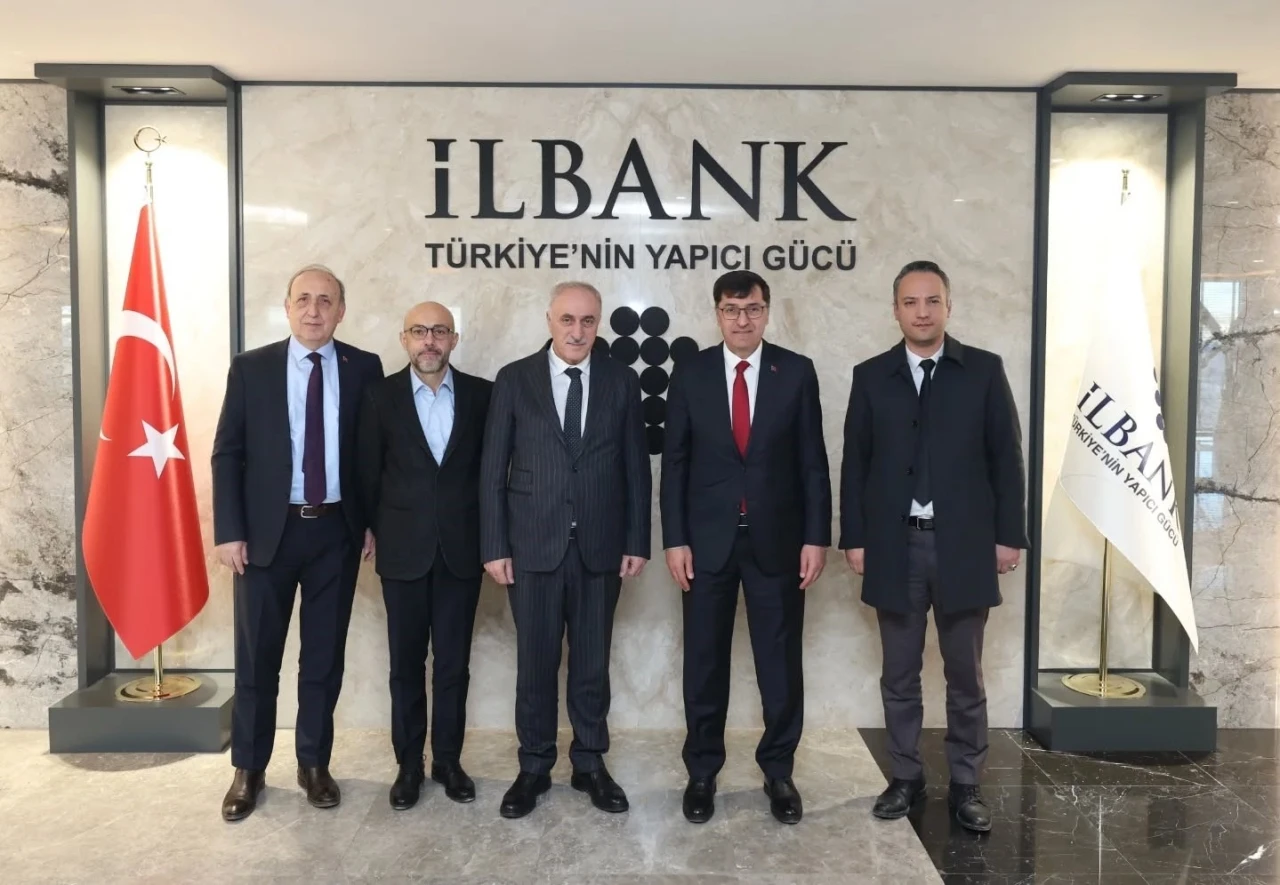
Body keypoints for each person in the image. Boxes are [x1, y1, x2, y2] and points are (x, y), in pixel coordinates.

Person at [839, 259, 1027, 833]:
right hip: (895, 548)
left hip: (964, 546)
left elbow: (1006, 458)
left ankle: (967, 783)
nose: (922, 312)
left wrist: (1009, 535)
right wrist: (855, 539)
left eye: (932, 301)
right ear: (895, 310)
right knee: (899, 673)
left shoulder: (984, 371)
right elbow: (855, 464)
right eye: (911, 302)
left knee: (965, 675)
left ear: (949, 306)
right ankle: (906, 777)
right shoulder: (871, 376)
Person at [212, 264, 384, 821]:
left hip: (336, 532)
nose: (314, 310)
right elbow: (227, 453)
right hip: (267, 535)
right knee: (257, 659)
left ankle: (313, 763)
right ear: (287, 307)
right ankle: (249, 768)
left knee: (323, 659)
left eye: (326, 300)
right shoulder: (252, 367)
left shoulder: (364, 367)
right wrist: (230, 530)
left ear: (341, 311)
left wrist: (371, 521)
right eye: (304, 299)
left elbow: (373, 454)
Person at [660, 269, 831, 826]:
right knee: (704, 663)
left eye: (752, 309)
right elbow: (675, 463)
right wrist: (675, 539)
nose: (742, 320)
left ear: (766, 312)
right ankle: (702, 771)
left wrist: (816, 537)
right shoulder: (690, 373)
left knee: (779, 664)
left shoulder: (796, 371)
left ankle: (778, 770)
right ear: (717, 314)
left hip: (778, 543)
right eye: (732, 310)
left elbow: (812, 462)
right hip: (705, 545)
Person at [479, 281, 651, 819]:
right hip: (532, 547)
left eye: (588, 321)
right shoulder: (515, 379)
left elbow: (636, 467)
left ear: (598, 323)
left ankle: (590, 763)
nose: (578, 331)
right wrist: (494, 545)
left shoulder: (622, 380)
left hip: (601, 547)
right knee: (535, 664)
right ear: (549, 320)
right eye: (568, 320)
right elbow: (492, 469)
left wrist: (637, 540)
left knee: (592, 664)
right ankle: (533, 766)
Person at [357, 301, 492, 810]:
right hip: (402, 551)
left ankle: (448, 762)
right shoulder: (378, 396)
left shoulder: (483, 395)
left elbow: (492, 473)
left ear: (454, 339)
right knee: (405, 667)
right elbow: (366, 472)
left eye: (439, 331)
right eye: (419, 331)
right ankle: (409, 765)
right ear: (404, 339)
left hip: (462, 552)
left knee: (454, 665)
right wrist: (368, 529)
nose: (429, 341)